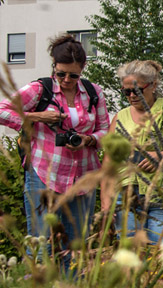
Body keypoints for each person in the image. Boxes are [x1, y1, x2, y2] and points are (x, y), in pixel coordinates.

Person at [0, 34, 109, 271]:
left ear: (83, 69)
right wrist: (37, 116)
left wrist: (87, 139)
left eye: (73, 75)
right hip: (44, 175)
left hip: (83, 177)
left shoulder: (93, 92)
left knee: (76, 247)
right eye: (61, 73)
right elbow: (2, 110)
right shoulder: (40, 89)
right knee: (43, 244)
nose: (67, 79)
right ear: (54, 67)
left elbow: (105, 131)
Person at [102, 60, 163, 244]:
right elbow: (108, 163)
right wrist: (106, 205)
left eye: (137, 90)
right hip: (125, 196)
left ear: (153, 85)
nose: (131, 95)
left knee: (162, 248)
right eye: (126, 91)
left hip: (159, 194)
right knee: (129, 252)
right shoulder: (120, 117)